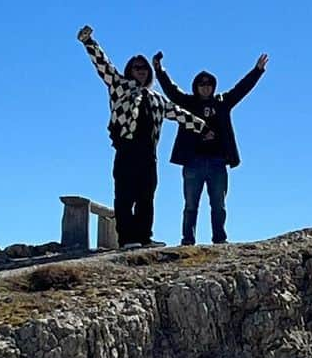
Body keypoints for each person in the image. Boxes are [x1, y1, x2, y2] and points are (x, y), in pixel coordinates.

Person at [77, 25, 207, 249]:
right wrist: (89, 42)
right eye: (137, 68)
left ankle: (144, 237)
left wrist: (203, 128)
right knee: (125, 196)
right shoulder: (120, 87)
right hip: (126, 150)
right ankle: (127, 239)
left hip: (149, 154)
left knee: (147, 196)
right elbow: (104, 67)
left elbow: (177, 113)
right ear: (129, 70)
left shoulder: (157, 98)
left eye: (144, 68)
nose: (141, 71)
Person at [153, 52, 269, 245]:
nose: (205, 88)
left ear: (213, 87)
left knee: (219, 205)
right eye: (201, 84)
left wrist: (257, 71)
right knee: (191, 205)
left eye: (208, 84)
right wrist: (159, 70)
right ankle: (188, 240)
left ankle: (220, 239)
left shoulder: (223, 102)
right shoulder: (188, 103)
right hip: (193, 162)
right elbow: (171, 91)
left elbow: (241, 89)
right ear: (196, 87)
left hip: (218, 162)